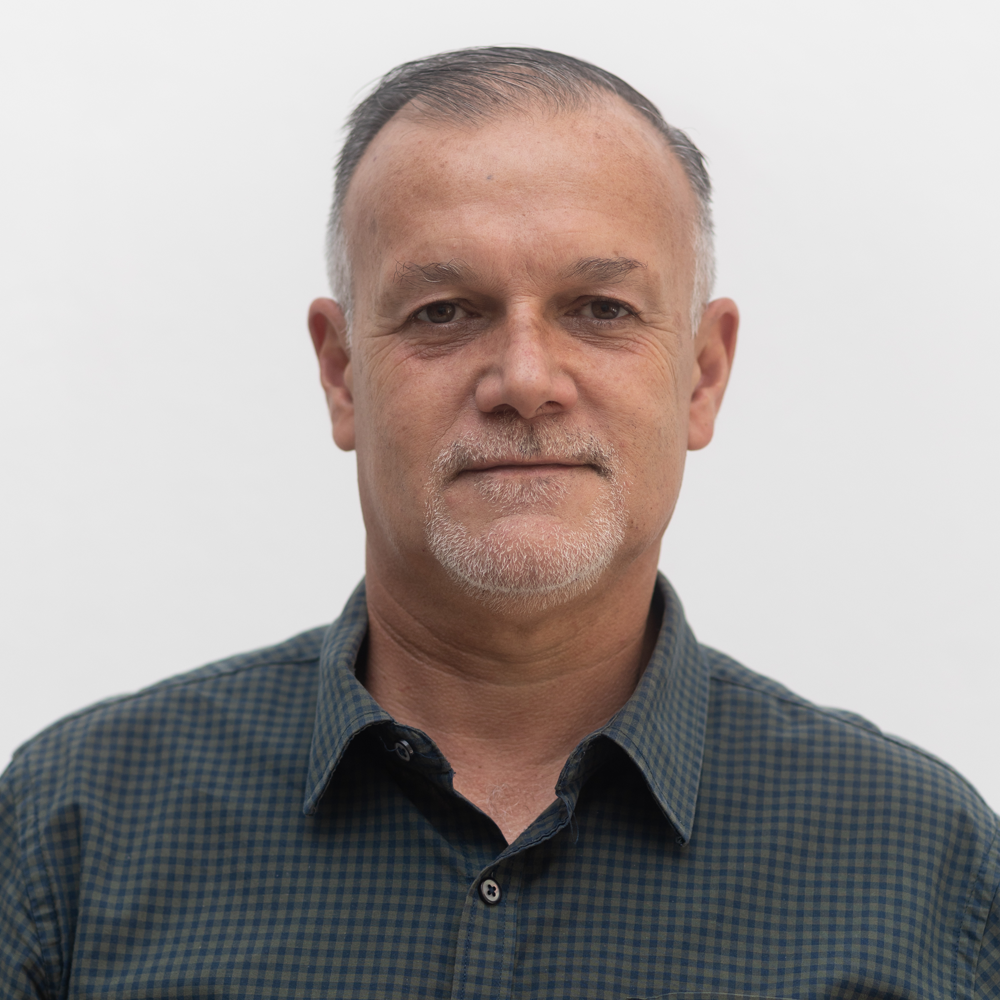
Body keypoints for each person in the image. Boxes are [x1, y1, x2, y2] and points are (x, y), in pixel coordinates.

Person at [1, 45, 997, 999]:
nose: (524, 379)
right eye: (444, 311)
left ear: (702, 374)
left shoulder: (921, 865)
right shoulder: (71, 834)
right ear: (341, 374)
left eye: (600, 309)